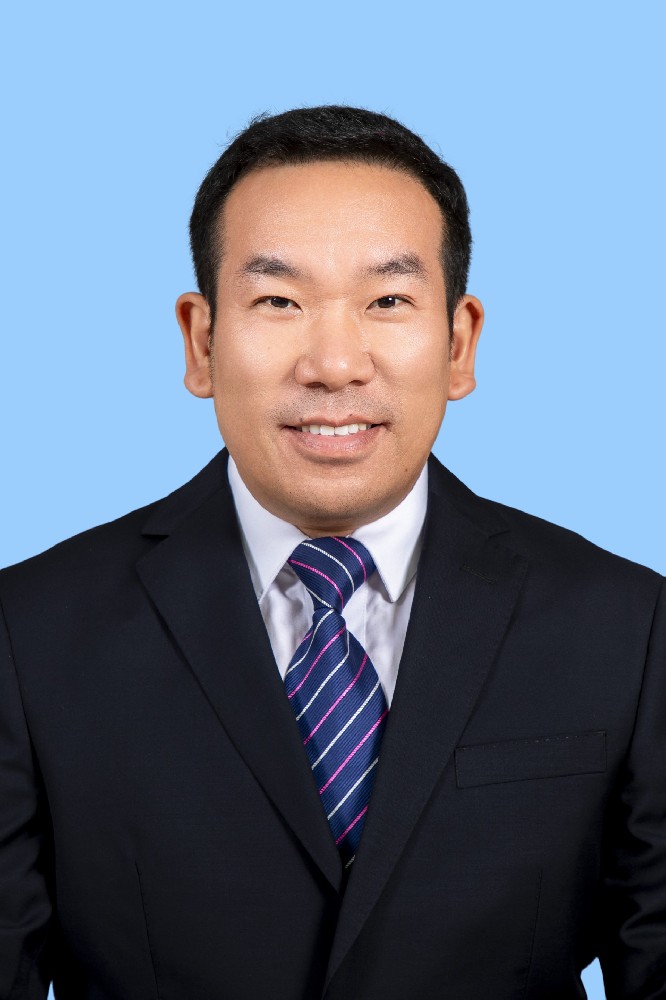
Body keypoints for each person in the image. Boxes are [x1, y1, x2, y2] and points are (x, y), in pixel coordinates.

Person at [0, 105, 664, 1000]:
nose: (335, 364)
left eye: (388, 301)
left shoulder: (627, 627)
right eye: (279, 301)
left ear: (459, 343)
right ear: (201, 341)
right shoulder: (28, 633)